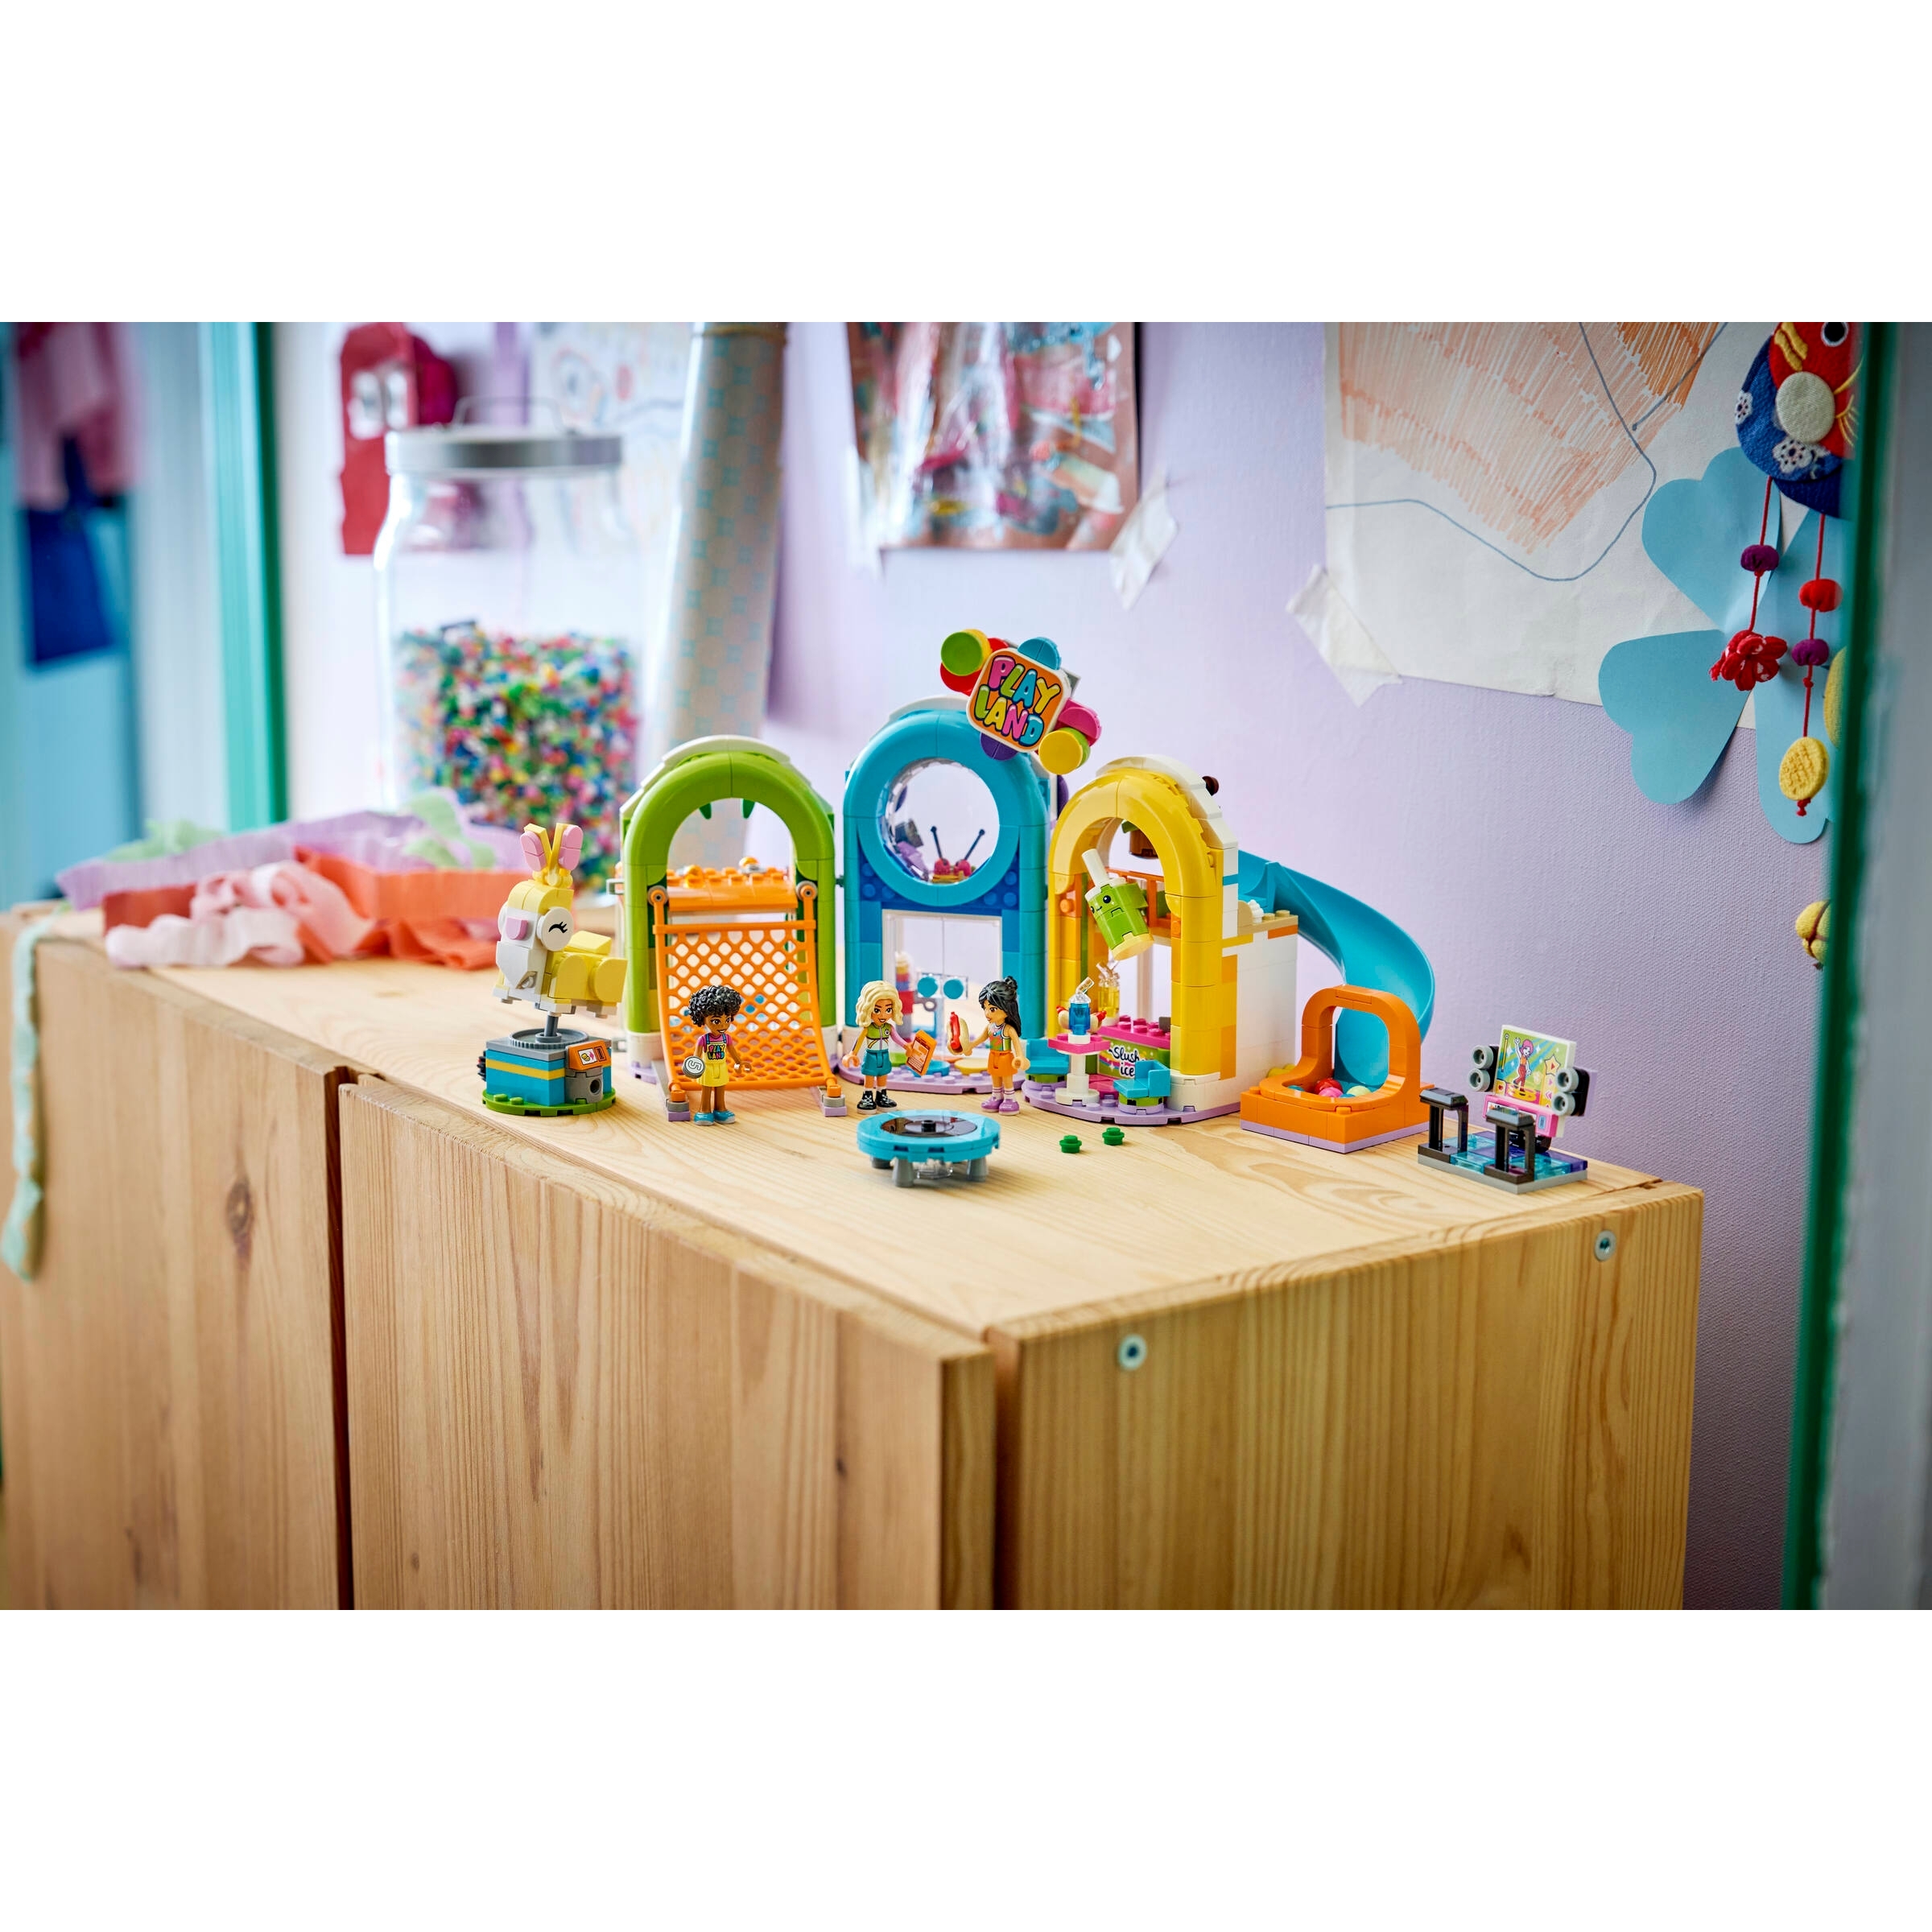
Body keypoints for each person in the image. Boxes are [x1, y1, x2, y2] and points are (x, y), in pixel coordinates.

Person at [684, 983, 747, 1123]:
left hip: (721, 1067)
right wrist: (693, 1068)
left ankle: (720, 1109)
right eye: (716, 1021)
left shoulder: (726, 1038)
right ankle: (704, 1110)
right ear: (702, 1018)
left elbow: (732, 1051)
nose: (724, 1025)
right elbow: (696, 1057)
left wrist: (739, 1062)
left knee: (720, 1089)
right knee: (706, 1090)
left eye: (728, 1020)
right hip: (707, 1068)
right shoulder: (703, 1039)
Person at [968, 975, 1028, 1113]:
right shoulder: (990, 1027)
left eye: (992, 1009)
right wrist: (971, 1046)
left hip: (1005, 1057)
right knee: (995, 1077)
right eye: (985, 1008)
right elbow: (981, 1039)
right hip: (993, 1056)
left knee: (1007, 1078)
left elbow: (1017, 1045)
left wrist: (1020, 1057)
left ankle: (1010, 1099)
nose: (987, 1013)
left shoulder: (1008, 1029)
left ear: (1007, 1008)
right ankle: (996, 1097)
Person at [845, 980, 905, 1113]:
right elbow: (859, 1040)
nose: (883, 1015)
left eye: (888, 1010)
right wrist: (852, 1053)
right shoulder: (868, 1028)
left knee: (883, 1074)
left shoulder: (889, 1027)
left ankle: (881, 1096)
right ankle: (867, 1096)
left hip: (884, 1055)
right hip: (871, 1056)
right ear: (867, 1009)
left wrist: (907, 1046)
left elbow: (897, 1039)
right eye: (877, 1010)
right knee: (870, 1076)